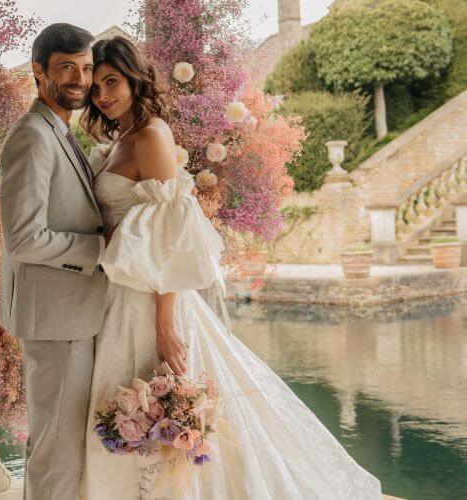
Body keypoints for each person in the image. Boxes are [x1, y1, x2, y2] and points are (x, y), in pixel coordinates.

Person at [78, 35, 383, 499]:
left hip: (151, 301)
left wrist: (164, 325)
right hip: (118, 297)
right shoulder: (122, 137)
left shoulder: (152, 136)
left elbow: (169, 236)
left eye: (112, 81)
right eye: (96, 86)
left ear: (135, 79)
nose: (103, 94)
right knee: (124, 403)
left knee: (159, 404)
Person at [0, 23, 108, 500]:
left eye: (86, 68)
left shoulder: (58, 130)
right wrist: (102, 253)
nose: (80, 79)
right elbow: (24, 239)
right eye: (67, 67)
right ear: (38, 71)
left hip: (68, 316)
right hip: (56, 322)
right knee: (55, 453)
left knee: (57, 448)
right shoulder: (32, 136)